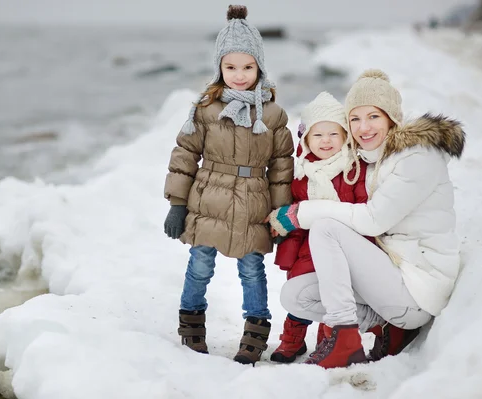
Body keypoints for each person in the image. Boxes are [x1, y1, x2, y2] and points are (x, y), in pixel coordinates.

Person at [267, 69, 465, 369]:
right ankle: (385, 327)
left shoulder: (417, 156)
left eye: (373, 116)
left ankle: (345, 338)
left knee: (325, 228)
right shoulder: (373, 158)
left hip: (418, 288)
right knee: (296, 295)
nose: (363, 127)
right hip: (392, 276)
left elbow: (373, 221)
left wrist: (301, 213)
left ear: (391, 117)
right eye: (355, 119)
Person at [163, 5, 294, 365]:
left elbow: (282, 167)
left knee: (252, 268)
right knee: (200, 262)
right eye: (231, 67)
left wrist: (281, 213)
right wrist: (177, 203)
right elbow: (185, 153)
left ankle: (255, 330)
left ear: (260, 68)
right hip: (208, 198)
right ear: (220, 67)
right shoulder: (206, 109)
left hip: (253, 199)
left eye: (247, 67)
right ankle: (191, 321)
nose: (239, 75)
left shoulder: (272, 114)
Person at [268, 92, 372, 363]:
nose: (326, 141)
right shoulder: (302, 174)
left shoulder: (353, 170)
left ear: (345, 137)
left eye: (333, 134)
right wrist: (284, 230)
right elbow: (296, 212)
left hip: (341, 247)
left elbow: (362, 208)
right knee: (300, 289)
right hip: (306, 249)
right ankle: (292, 339)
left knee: (332, 294)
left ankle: (328, 339)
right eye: (318, 135)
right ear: (305, 139)